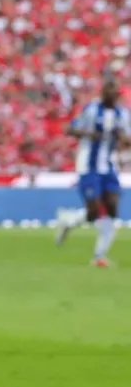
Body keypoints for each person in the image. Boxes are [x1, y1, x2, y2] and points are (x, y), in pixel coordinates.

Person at [54, 78, 130, 266]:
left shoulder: (122, 114)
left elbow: (126, 138)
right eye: (109, 92)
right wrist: (89, 134)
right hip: (88, 165)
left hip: (109, 165)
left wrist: (123, 138)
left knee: (112, 206)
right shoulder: (91, 110)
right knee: (94, 211)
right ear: (103, 93)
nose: (112, 96)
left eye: (115, 93)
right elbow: (70, 129)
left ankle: (99, 256)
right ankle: (68, 222)